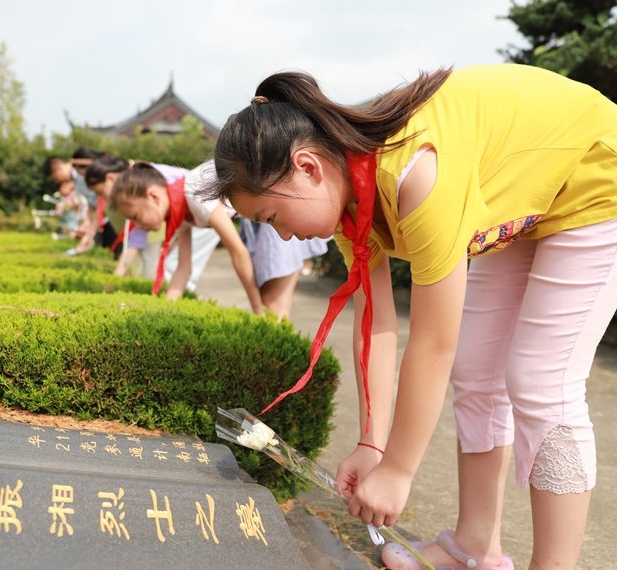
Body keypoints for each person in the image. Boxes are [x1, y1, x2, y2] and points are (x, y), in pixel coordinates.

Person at [202, 64, 617, 570]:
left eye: (271, 218)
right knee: (478, 374)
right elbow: (377, 325)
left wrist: (399, 470)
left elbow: (432, 340)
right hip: (528, 195)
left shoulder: (416, 173)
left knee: (540, 383)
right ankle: (475, 547)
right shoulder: (348, 190)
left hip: (598, 174)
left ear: (307, 167)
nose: (282, 236)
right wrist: (372, 444)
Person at [109, 160, 264, 313]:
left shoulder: (196, 195)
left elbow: (238, 252)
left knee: (271, 304)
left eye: (135, 216)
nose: (137, 226)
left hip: (271, 200)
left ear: (154, 197)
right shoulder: (179, 213)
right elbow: (184, 268)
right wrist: (165, 309)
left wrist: (258, 309)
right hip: (261, 214)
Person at [86, 156, 221, 291]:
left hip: (201, 217)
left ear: (110, 178)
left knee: (171, 267)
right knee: (174, 266)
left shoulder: (139, 187)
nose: (103, 198)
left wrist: (116, 279)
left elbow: (136, 240)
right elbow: (136, 238)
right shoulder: (134, 188)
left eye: (100, 192)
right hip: (191, 220)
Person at [239, 218, 329, 319]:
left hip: (275, 226)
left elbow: (238, 254)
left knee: (273, 305)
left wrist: (257, 307)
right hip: (272, 224)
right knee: (275, 305)